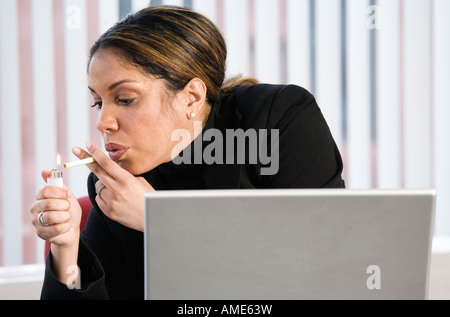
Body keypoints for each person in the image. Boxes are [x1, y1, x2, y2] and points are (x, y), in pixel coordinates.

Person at [30, 5, 345, 300]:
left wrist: (160, 219)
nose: (103, 122)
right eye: (98, 102)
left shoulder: (278, 119)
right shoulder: (117, 183)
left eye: (125, 99)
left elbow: (316, 267)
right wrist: (67, 248)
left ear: (191, 97)